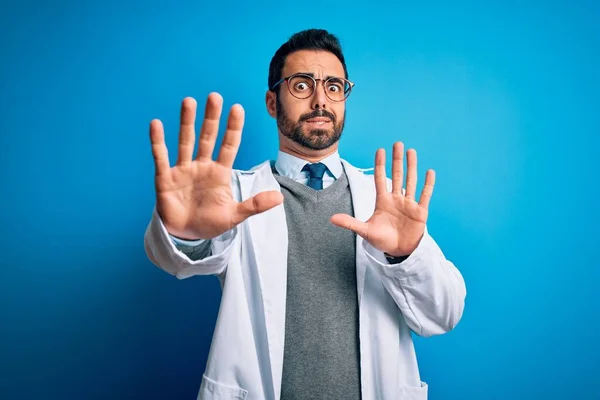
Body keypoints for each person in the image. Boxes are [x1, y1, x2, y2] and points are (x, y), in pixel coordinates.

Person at [144, 28, 466, 400]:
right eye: (301, 85)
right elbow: (176, 261)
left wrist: (407, 254)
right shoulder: (236, 197)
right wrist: (186, 235)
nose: (319, 100)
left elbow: (444, 314)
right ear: (272, 101)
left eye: (333, 86)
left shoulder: (383, 201)